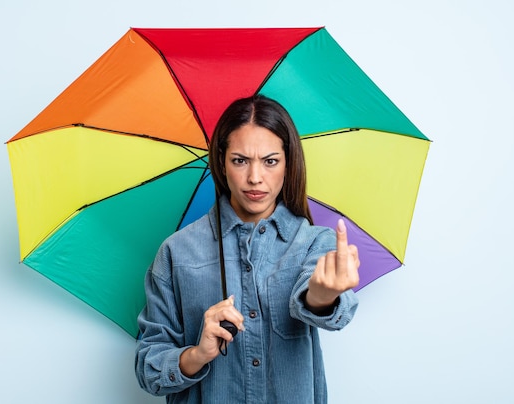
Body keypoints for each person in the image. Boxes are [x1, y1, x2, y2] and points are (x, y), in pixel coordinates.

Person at [135, 95, 360, 403]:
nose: (255, 178)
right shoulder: (177, 252)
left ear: (288, 163)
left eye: (270, 161)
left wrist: (321, 299)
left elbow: (332, 307)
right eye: (240, 161)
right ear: (222, 163)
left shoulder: (313, 242)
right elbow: (148, 370)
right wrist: (198, 354)